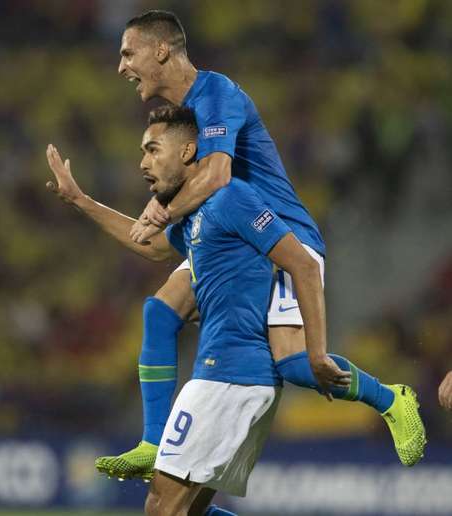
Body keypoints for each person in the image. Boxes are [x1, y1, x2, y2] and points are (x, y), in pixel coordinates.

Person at [94, 9, 425, 478]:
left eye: (128, 53)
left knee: (292, 363)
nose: (122, 66)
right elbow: (160, 238)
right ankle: (152, 441)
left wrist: (164, 209)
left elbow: (217, 174)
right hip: (231, 238)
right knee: (159, 312)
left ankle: (392, 399)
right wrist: (82, 201)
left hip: (279, 234)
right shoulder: (184, 118)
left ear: (161, 49)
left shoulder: (217, 93)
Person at [48, 103, 342, 515]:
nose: (143, 163)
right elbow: (149, 245)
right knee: (186, 512)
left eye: (153, 150)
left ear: (187, 152)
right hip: (233, 378)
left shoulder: (232, 197)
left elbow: (305, 265)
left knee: (161, 509)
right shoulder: (198, 215)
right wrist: (80, 200)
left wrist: (315, 352)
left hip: (228, 377)